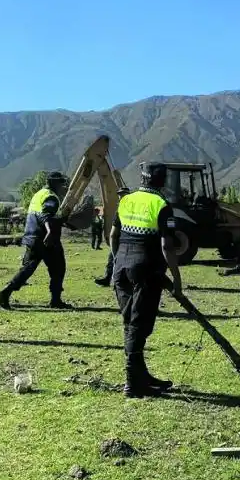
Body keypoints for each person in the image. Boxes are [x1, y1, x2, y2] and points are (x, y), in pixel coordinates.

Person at [112, 162, 182, 398]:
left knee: (130, 323)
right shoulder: (162, 205)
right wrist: (177, 280)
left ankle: (141, 376)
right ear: (162, 182)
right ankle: (132, 383)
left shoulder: (126, 200)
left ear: (142, 179)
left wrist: (117, 260)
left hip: (121, 269)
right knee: (137, 326)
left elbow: (113, 235)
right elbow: (167, 246)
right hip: (145, 272)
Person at [0, 171, 71, 309]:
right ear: (55, 183)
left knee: (28, 268)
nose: (63, 186)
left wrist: (62, 220)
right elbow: (45, 215)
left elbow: (41, 215)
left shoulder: (39, 194)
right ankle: (56, 300)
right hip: (46, 239)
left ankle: (6, 291)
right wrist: (50, 231)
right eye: (61, 183)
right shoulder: (51, 197)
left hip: (32, 236)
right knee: (58, 268)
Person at [96, 187, 132, 287]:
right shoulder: (120, 208)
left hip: (128, 239)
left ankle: (121, 281)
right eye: (120, 195)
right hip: (119, 239)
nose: (121, 196)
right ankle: (108, 279)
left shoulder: (130, 208)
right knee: (112, 258)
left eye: (123, 194)